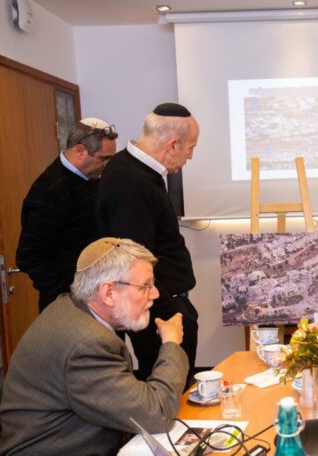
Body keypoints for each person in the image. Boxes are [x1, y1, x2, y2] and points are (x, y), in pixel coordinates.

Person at [0, 238, 188, 455]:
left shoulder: (69, 306)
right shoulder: (87, 344)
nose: (155, 294)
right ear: (108, 293)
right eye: (145, 286)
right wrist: (171, 342)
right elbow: (157, 414)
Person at [97, 102, 199, 386]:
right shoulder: (131, 181)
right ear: (173, 144)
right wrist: (166, 308)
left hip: (162, 304)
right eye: (190, 147)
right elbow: (135, 258)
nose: (190, 156)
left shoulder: (134, 169)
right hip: (158, 312)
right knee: (168, 388)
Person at [16, 117, 118, 311]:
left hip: (98, 296)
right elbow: (29, 256)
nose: (107, 165)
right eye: (103, 158)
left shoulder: (91, 177)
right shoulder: (49, 190)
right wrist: (71, 293)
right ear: (80, 151)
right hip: (68, 304)